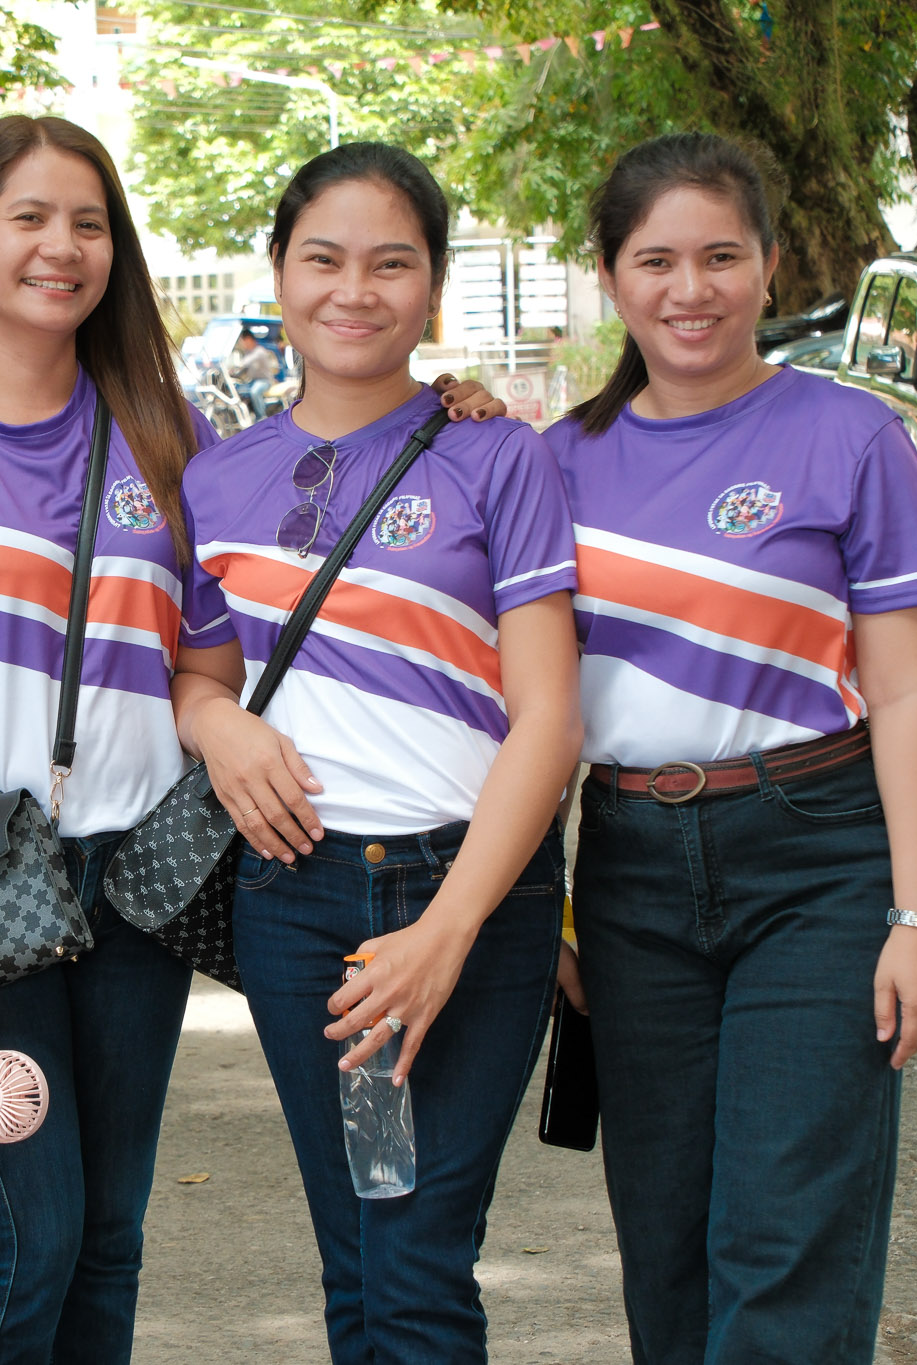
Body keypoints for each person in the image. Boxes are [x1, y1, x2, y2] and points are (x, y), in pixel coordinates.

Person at [0, 115, 507, 1365]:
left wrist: (445, 405)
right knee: (25, 1234)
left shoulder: (165, 430)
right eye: (28, 219)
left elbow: (232, 630)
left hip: (136, 890)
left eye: (87, 224)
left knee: (108, 1236)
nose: (61, 247)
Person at [548, 133, 917, 1365]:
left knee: (786, 1241)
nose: (691, 289)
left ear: (770, 266)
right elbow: (527, 712)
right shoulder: (551, 462)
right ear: (609, 277)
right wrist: (548, 916)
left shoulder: (851, 437)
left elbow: (905, 696)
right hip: (625, 874)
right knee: (663, 1238)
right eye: (655, 260)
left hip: (816, 862)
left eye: (721, 256)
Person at [172, 143, 581, 1364]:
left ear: (433, 285)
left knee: (412, 1263)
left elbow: (549, 718)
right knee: (356, 1259)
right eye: (323, 259)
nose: (353, 290)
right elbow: (199, 673)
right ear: (278, 274)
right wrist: (213, 720)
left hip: (471, 895)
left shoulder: (499, 455)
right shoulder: (215, 476)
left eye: (390, 263)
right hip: (293, 899)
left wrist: (446, 931)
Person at [224, 327, 281, 418]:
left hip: (264, 381)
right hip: (253, 381)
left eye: (243, 340)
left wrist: (236, 366)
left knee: (255, 392)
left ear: (249, 339)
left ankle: (261, 417)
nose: (242, 343)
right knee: (239, 390)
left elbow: (245, 362)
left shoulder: (259, 351)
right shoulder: (248, 352)